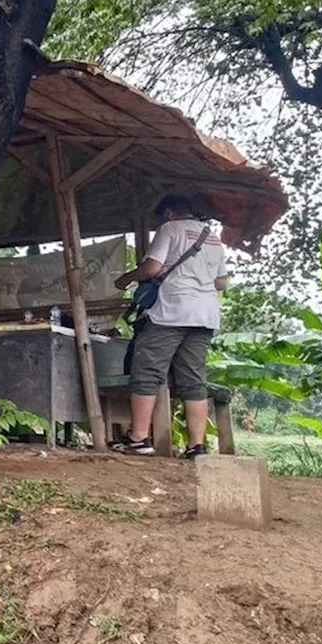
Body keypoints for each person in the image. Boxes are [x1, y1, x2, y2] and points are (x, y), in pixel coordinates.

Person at [112, 195, 227, 458]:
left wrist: (126, 278)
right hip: (205, 316)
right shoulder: (213, 237)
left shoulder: (170, 229)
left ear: (168, 214)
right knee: (193, 379)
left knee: (147, 370)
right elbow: (221, 282)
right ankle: (196, 447)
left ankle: (139, 438)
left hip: (172, 312)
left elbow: (152, 268)